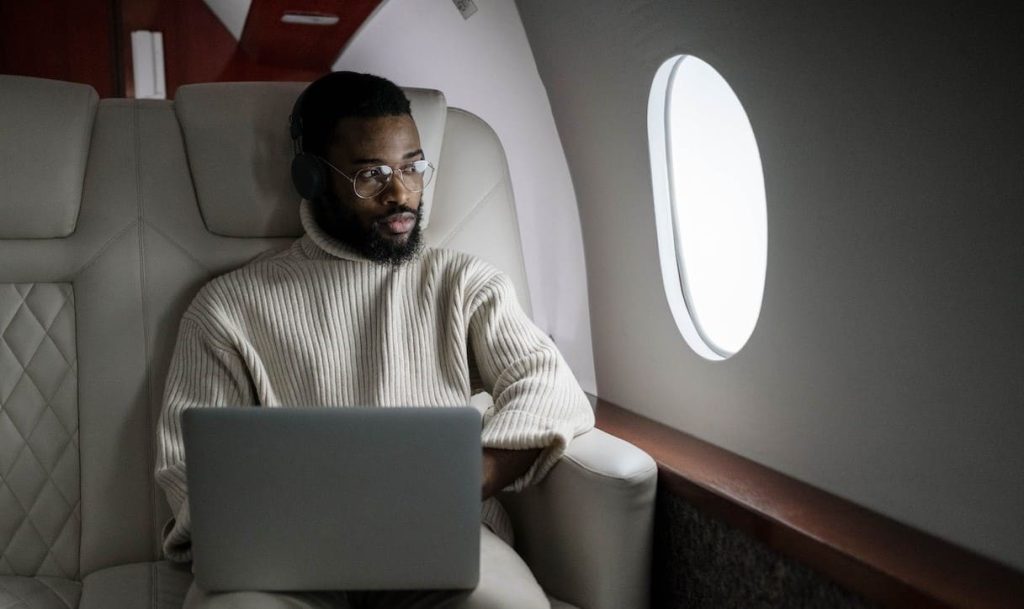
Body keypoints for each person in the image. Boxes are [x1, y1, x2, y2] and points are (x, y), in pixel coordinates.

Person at [154, 71, 595, 609]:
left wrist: (464, 477)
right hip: (281, 559)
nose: (402, 194)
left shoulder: (464, 284)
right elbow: (186, 470)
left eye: (413, 167)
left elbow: (550, 386)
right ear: (313, 178)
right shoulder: (227, 308)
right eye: (372, 175)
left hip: (440, 538)